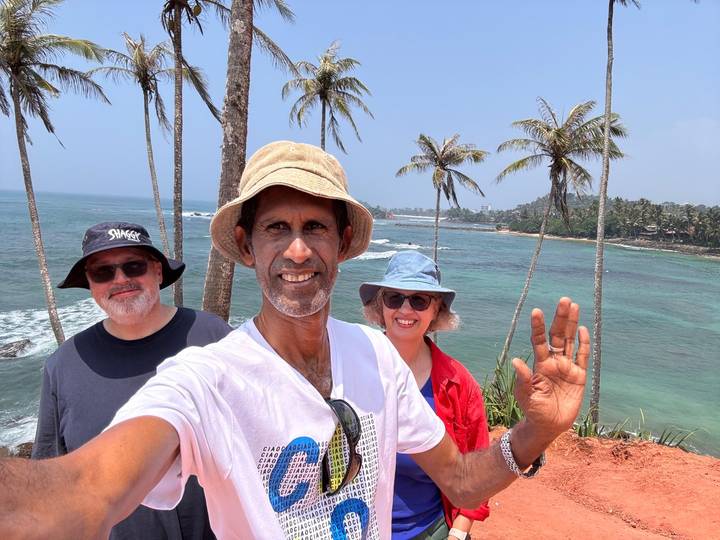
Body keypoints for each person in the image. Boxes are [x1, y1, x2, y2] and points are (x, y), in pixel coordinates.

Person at [0, 141, 590, 540]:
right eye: (276, 228)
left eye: (315, 228)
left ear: (341, 243)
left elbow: (459, 479)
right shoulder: (206, 379)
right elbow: (84, 491)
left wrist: (537, 430)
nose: (298, 249)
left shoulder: (377, 356)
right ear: (247, 243)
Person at [31, 221, 232, 539]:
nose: (121, 280)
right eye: (103, 272)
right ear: (91, 284)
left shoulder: (214, 337)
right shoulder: (63, 365)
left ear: (158, 272)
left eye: (133, 266)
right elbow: (50, 476)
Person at [360, 250, 489, 540]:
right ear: (380, 307)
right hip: (353, 528)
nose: (405, 309)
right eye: (394, 298)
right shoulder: (350, 367)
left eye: (419, 300)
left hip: (428, 531)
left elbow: (476, 468)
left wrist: (457, 535)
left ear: (436, 311)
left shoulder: (458, 383)